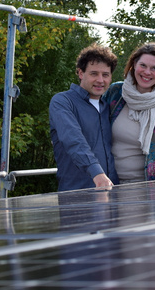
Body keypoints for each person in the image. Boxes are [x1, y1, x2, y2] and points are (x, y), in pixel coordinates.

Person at [102, 42, 155, 183]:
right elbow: (95, 131)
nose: (147, 72)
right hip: (107, 183)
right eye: (143, 65)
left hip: (147, 188)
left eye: (154, 68)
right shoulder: (115, 93)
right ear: (134, 64)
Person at [49, 43, 119, 191]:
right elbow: (73, 140)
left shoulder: (109, 106)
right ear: (81, 73)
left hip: (112, 191)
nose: (100, 80)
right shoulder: (62, 101)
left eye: (105, 75)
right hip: (77, 194)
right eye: (94, 74)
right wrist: (97, 173)